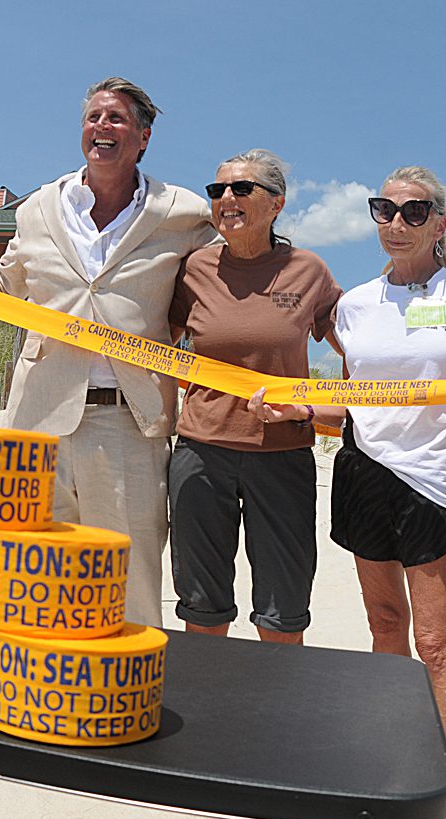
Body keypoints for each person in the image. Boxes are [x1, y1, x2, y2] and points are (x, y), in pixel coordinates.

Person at [0, 77, 217, 628]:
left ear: (143, 137)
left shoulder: (183, 212)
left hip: (128, 421)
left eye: (116, 119)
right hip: (38, 420)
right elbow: (5, 280)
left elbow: (225, 273)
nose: (102, 127)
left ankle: (126, 696)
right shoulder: (40, 208)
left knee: (130, 580)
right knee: (35, 576)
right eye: (93, 117)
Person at [255, 165, 446, 819]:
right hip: (364, 469)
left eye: (414, 211)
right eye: (384, 209)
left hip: (431, 480)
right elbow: (353, 403)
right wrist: (299, 406)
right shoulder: (356, 305)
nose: (396, 222)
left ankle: (440, 780)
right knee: (385, 621)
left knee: (436, 637)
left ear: (439, 224)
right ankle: (396, 745)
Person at [168, 149, 341, 645]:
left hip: (282, 457)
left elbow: (361, 355)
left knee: (282, 612)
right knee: (202, 608)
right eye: (217, 190)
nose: (226, 199)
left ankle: (279, 719)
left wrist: (318, 410)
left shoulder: (309, 271)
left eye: (241, 189)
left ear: (277, 203)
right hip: (201, 453)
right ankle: (209, 717)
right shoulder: (193, 270)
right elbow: (153, 344)